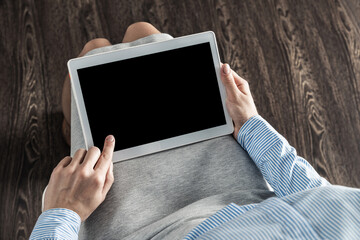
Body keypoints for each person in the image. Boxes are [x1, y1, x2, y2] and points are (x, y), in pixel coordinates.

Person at [30, 22, 360, 239]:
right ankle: (71, 127)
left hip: (142, 229)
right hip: (242, 195)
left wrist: (64, 210)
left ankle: (69, 126)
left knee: (91, 55)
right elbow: (319, 198)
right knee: (141, 32)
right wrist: (249, 126)